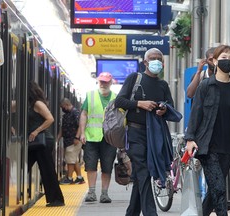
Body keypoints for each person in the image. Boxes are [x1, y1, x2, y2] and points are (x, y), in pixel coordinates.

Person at [184, 45, 230, 216]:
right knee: (218, 188)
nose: (228, 61)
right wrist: (189, 139)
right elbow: (196, 113)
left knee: (214, 191)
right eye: (224, 57)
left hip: (228, 147)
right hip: (208, 147)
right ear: (215, 61)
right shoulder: (205, 86)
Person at [115, 48, 175, 216]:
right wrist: (139, 104)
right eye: (152, 58)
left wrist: (164, 109)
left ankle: (131, 213)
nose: (156, 61)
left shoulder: (163, 85)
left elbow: (170, 106)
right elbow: (119, 101)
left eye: (159, 58)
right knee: (144, 171)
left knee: (142, 176)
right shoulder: (135, 78)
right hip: (135, 134)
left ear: (162, 63)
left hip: (154, 136)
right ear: (145, 62)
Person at [79, 72, 117, 203]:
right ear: (98, 82)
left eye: (106, 82)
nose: (103, 84)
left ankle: (104, 194)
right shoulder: (90, 96)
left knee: (107, 167)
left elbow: (121, 118)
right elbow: (84, 114)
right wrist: (82, 133)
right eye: (101, 81)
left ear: (111, 83)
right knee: (91, 166)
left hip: (110, 138)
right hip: (91, 137)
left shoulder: (117, 98)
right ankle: (91, 192)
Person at [27, 81, 65, 207]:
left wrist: (36, 131)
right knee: (24, 166)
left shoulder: (37, 103)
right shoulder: (26, 104)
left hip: (43, 141)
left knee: (47, 169)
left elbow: (50, 118)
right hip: (35, 142)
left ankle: (57, 200)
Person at [57, 98, 85, 185]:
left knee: (70, 160)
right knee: (74, 159)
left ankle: (69, 178)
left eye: (62, 107)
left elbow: (80, 126)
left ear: (66, 105)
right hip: (68, 140)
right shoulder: (66, 115)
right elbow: (63, 127)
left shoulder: (75, 113)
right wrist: (58, 138)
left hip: (73, 140)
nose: (62, 109)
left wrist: (77, 137)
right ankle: (79, 178)